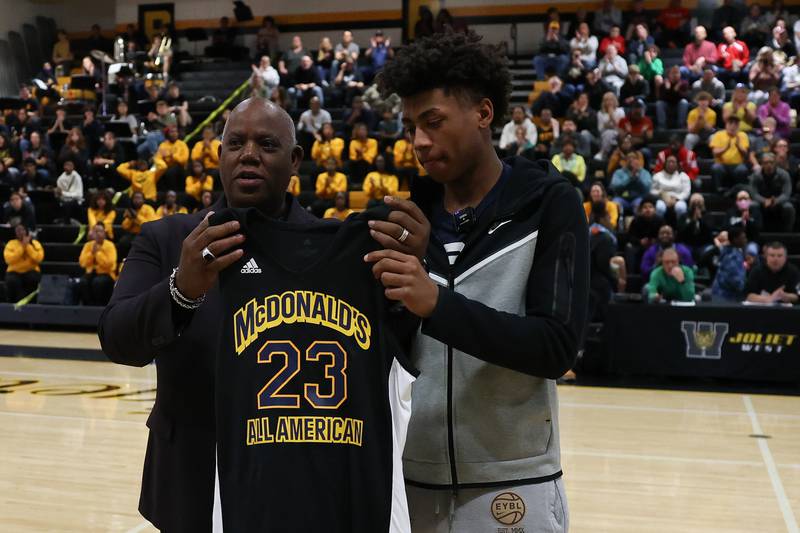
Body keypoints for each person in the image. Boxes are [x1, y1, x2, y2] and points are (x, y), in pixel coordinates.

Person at [99, 97, 429, 531]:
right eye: (235, 142)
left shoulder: (335, 250)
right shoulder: (170, 240)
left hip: (296, 482)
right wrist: (182, 290)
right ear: (219, 156)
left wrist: (414, 276)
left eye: (266, 144)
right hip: (191, 478)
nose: (249, 154)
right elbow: (117, 338)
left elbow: (394, 349)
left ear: (295, 161)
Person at [375, 30, 588, 532]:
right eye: (410, 127)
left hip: (515, 484)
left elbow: (556, 347)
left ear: (484, 114)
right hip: (411, 480)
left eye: (433, 122)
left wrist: (437, 304)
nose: (419, 142)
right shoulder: (407, 220)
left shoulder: (549, 204)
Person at [750, 152, 796, 233]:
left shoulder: (784, 174)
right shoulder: (756, 176)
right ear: (761, 164)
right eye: (766, 163)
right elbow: (754, 193)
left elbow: (786, 193)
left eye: (771, 162)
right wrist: (764, 201)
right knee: (752, 205)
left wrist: (776, 201)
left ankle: (787, 232)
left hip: (779, 200)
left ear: (775, 163)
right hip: (761, 201)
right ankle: (756, 232)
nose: (769, 165)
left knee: (788, 207)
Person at [3, 224, 44, 303]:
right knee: (11, 281)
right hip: (14, 272)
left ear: (26, 231)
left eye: (22, 230)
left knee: (33, 279)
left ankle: (32, 304)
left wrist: (28, 246)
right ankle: (13, 304)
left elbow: (38, 258)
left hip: (31, 270)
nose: (20, 232)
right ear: (15, 233)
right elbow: (9, 259)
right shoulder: (11, 244)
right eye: (18, 230)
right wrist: (22, 247)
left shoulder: (35, 243)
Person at [78, 223, 117, 305]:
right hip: (91, 273)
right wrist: (91, 253)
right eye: (95, 231)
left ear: (104, 233)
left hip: (106, 274)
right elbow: (82, 263)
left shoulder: (110, 245)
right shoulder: (88, 245)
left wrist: (98, 253)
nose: (98, 234)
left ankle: (99, 306)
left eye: (100, 231)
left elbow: (110, 264)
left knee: (97, 283)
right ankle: (88, 305)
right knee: (83, 282)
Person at [708, 116, 749, 191]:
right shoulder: (718, 134)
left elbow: (745, 154)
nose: (733, 126)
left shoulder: (743, 135)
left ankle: (740, 191)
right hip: (721, 164)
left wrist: (739, 146)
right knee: (716, 168)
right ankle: (718, 190)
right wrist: (725, 148)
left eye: (736, 124)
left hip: (737, 165)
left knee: (742, 169)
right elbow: (715, 153)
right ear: (726, 124)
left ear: (738, 126)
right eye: (731, 123)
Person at [711, 228, 750, 302]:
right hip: (725, 297)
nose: (746, 240)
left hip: (718, 293)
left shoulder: (727, 250)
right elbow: (734, 280)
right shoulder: (734, 256)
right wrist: (746, 289)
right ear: (735, 239)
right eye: (743, 238)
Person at [651, 154, 691, 218]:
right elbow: (652, 190)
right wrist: (660, 193)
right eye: (669, 161)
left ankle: (680, 226)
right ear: (665, 164)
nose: (671, 164)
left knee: (681, 207)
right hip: (662, 199)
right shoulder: (657, 176)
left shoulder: (683, 176)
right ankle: (659, 225)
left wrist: (676, 198)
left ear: (677, 164)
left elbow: (686, 192)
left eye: (673, 162)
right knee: (659, 207)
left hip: (678, 199)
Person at [155, 125, 190, 192]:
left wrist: (172, 155)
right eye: (172, 132)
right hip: (166, 166)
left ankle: (174, 191)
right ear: (168, 134)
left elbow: (183, 160)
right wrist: (163, 165)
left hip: (180, 167)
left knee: (171, 172)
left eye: (176, 132)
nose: (174, 134)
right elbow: (158, 158)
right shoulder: (163, 145)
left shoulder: (182, 144)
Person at [55, 159, 84, 223]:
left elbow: (79, 195)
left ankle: (66, 224)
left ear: (73, 167)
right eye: (66, 166)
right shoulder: (60, 179)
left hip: (76, 201)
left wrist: (63, 193)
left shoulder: (77, 177)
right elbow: (59, 193)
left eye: (69, 166)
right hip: (64, 200)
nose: (67, 167)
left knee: (67, 205)